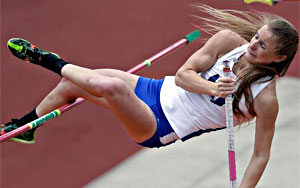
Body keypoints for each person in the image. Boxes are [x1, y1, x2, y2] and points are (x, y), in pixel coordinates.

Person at [1, 4, 298, 187]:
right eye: (257, 37)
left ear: (278, 57)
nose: (254, 45)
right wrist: (211, 88)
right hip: (154, 88)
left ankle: (49, 60)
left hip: (161, 124)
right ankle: (27, 127)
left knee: (109, 86)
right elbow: (183, 76)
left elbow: (260, 155)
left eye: (262, 46)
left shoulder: (265, 98)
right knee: (72, 85)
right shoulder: (229, 42)